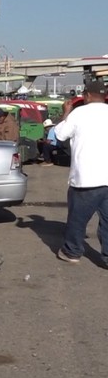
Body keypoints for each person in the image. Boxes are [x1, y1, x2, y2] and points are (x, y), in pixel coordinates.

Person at [52, 80, 108, 264]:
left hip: (86, 178)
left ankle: (72, 252)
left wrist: (66, 113)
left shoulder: (79, 114)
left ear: (88, 95)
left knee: (77, 218)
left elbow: (59, 135)